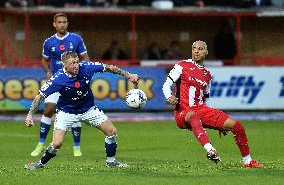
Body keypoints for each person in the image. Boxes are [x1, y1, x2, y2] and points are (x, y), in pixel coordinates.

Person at [24, 51, 139, 170]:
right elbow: (39, 96)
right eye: (72, 63)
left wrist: (128, 74)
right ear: (64, 65)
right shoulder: (57, 79)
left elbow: (109, 67)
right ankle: (40, 163)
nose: (75, 65)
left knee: (111, 132)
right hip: (66, 112)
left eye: (77, 62)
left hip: (88, 110)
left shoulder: (87, 67)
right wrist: (30, 115)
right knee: (57, 143)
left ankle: (111, 162)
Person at [162, 40, 263, 168]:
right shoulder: (182, 65)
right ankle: (211, 150)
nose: (196, 51)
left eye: (200, 49)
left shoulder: (207, 75)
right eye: (194, 48)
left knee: (237, 126)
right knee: (193, 116)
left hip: (200, 109)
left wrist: (217, 124)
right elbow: (167, 84)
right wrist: (169, 96)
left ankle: (248, 161)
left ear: (206, 52)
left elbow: (204, 99)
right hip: (183, 112)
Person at [30, 13, 90, 157]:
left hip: (74, 82)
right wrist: (48, 72)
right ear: (54, 24)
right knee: (48, 110)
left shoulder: (76, 39)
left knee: (75, 112)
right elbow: (44, 59)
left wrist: (83, 73)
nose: (62, 24)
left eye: (64, 22)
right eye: (59, 22)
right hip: (57, 82)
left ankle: (77, 147)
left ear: (67, 23)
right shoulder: (49, 42)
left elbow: (85, 58)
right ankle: (40, 144)